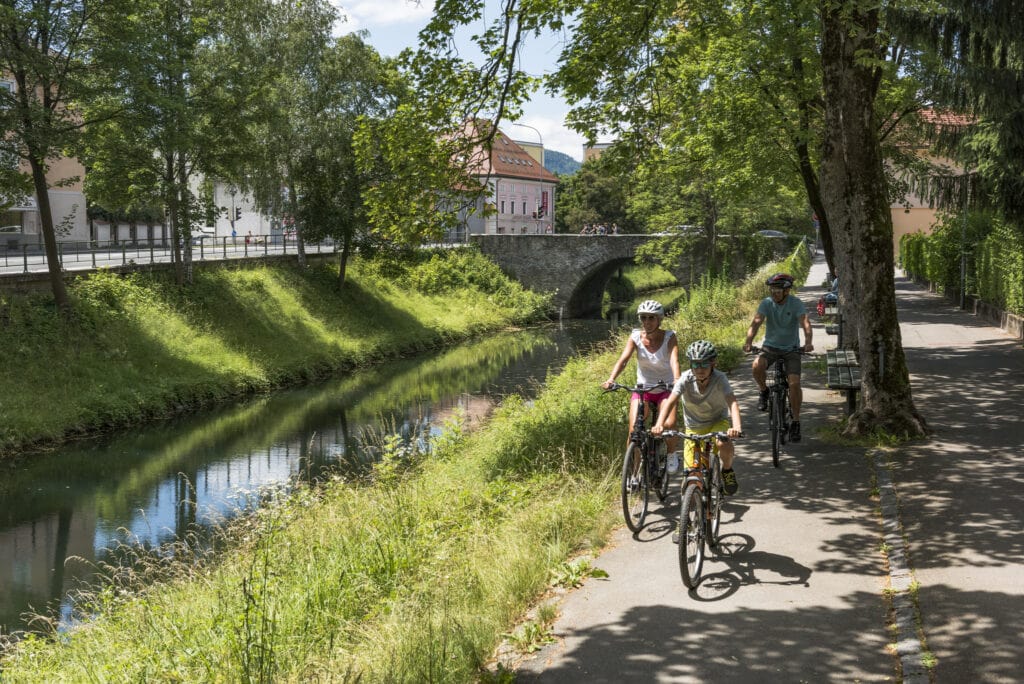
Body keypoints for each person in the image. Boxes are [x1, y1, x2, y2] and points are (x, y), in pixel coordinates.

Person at [652, 340, 742, 496]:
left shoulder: (720, 378)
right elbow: (670, 402)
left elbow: (732, 402)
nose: (700, 369)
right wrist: (659, 424)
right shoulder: (685, 379)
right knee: (692, 480)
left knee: (723, 442)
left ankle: (727, 470)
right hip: (694, 427)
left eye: (704, 364)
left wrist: (736, 427)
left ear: (713, 363)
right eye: (695, 365)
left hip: (717, 422)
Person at [603, 300, 681, 467]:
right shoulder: (635, 337)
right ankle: (635, 471)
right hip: (643, 389)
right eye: (644, 318)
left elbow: (674, 360)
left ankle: (672, 454)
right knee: (634, 431)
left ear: (659, 319)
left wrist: (676, 380)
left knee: (668, 424)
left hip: (666, 388)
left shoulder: (669, 337)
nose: (647, 322)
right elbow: (623, 360)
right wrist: (611, 379)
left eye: (651, 318)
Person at [742, 272, 813, 442]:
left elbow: (805, 323)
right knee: (756, 365)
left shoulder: (795, 303)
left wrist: (808, 342)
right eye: (772, 290)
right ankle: (764, 391)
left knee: (794, 384)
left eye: (778, 291)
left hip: (791, 349)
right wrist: (748, 342)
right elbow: (756, 322)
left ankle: (795, 421)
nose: (774, 294)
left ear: (786, 291)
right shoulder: (767, 303)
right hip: (770, 348)